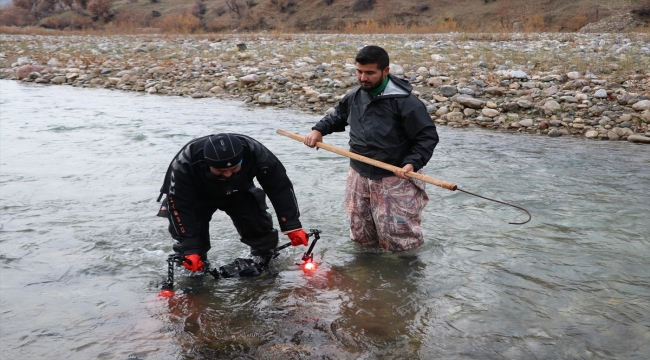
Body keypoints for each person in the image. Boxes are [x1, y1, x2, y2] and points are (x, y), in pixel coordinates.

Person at [303, 45, 439, 252]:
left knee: (399, 239)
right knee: (361, 233)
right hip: (359, 172)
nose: (363, 78)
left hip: (396, 175)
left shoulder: (407, 103)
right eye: (359, 71)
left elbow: (427, 137)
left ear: (386, 71)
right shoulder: (355, 96)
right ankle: (366, 276)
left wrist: (412, 163)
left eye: (370, 73)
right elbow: (338, 117)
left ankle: (404, 276)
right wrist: (318, 130)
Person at [157, 133, 309, 272]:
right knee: (192, 248)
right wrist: (190, 247)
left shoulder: (255, 152)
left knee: (260, 231)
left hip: (240, 191)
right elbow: (178, 205)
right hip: (196, 198)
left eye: (234, 168)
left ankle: (267, 265)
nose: (228, 174)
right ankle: (193, 275)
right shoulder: (185, 163)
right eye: (221, 171)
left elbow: (279, 187)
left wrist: (291, 224)